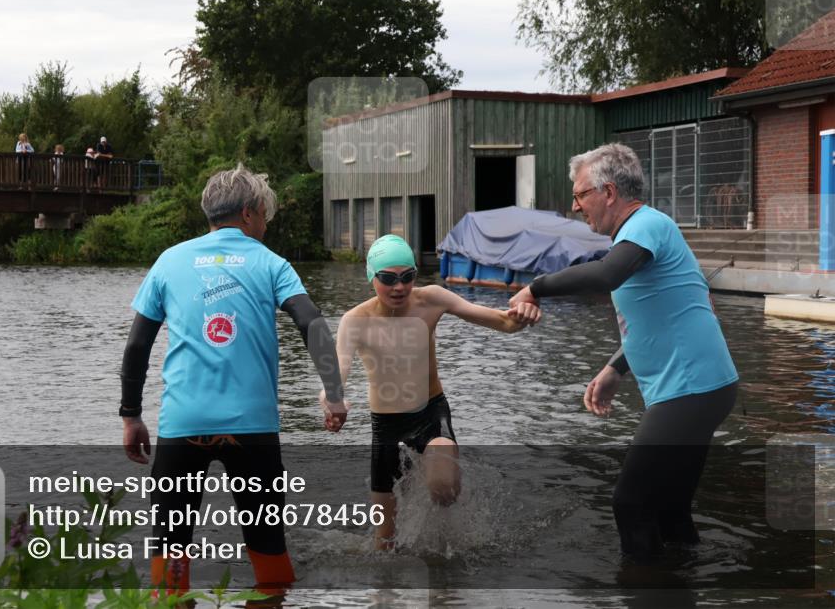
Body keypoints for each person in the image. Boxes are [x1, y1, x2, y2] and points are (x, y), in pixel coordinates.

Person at [118, 165, 346, 598]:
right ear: (248, 213)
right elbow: (312, 322)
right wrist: (334, 394)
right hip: (253, 428)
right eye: (265, 215)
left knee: (170, 550)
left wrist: (130, 415)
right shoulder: (271, 263)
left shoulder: (170, 260)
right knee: (267, 547)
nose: (265, 224)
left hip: (184, 425)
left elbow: (137, 346)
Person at [508, 143, 739, 561]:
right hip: (703, 386)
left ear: (609, 192)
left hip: (688, 390)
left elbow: (607, 274)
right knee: (669, 507)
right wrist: (616, 367)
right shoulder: (642, 235)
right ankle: (682, 579)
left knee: (629, 502)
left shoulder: (646, 225)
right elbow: (667, 314)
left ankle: (642, 590)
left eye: (580, 195)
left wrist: (537, 286)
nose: (576, 206)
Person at [331, 234, 541, 550]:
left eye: (407, 277)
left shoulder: (431, 299)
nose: (399, 287)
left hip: (431, 414)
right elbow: (337, 372)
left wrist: (523, 315)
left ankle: (444, 576)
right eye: (388, 278)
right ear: (371, 277)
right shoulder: (355, 320)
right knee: (384, 544)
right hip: (386, 429)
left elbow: (502, 323)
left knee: (444, 488)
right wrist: (334, 401)